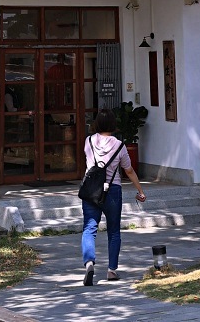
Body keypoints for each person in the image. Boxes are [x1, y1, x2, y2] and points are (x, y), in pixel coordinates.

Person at [81, 108, 146, 284]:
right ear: (113, 124)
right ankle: (111, 270)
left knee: (89, 229)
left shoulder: (88, 141)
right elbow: (129, 170)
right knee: (114, 231)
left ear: (96, 123)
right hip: (112, 190)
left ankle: (89, 263)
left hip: (91, 190)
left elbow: (89, 162)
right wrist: (140, 191)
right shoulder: (119, 145)